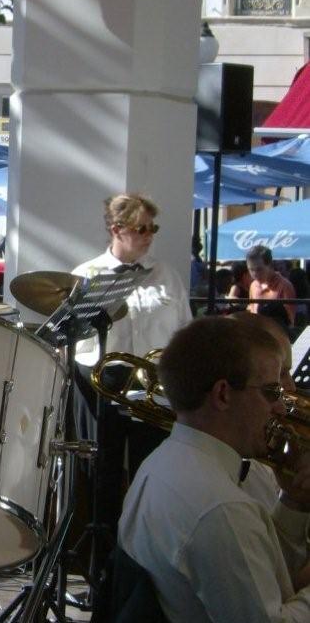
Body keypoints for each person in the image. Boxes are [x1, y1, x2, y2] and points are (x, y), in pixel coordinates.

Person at [118, 316, 310, 623]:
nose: (281, 407)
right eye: (270, 392)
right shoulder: (221, 508)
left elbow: (259, 569)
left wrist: (293, 502)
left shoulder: (162, 464)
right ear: (222, 394)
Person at [71, 193, 191, 577]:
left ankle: (146, 560)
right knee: (101, 469)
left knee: (150, 469)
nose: (149, 236)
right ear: (116, 229)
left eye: (153, 228)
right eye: (141, 228)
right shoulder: (87, 274)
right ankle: (100, 565)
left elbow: (185, 330)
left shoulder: (166, 274)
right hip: (102, 381)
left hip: (153, 384)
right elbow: (74, 339)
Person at [247, 244, 296, 330]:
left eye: (259, 269)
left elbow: (290, 321)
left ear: (270, 265)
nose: (255, 274)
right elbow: (252, 312)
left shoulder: (285, 286)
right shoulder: (253, 286)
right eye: (251, 269)